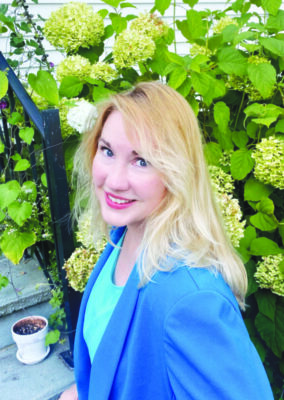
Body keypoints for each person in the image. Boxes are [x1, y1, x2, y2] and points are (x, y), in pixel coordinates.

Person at [59, 81, 274, 400]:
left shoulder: (190, 299)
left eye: (141, 160)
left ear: (177, 172)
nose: (114, 181)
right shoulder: (124, 236)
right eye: (107, 151)